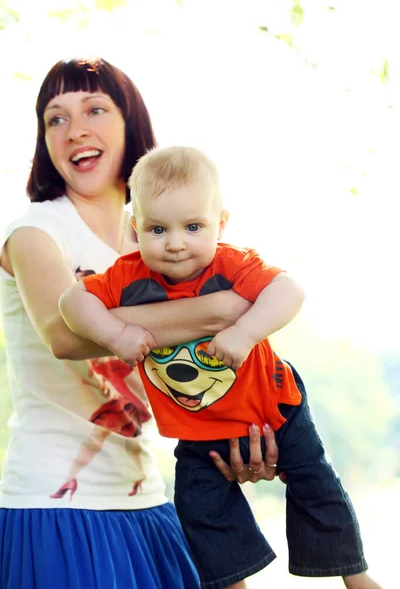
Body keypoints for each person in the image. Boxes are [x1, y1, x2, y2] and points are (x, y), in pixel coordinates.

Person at [0, 58, 280, 589]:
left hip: (150, 496)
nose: (74, 129)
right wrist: (218, 311)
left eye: (95, 110)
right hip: (57, 503)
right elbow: (64, 335)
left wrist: (241, 444)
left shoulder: (161, 242)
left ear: (132, 125)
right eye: (55, 118)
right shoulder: (34, 230)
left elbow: (199, 369)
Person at [60, 146, 383, 589]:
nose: (175, 243)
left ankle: (355, 575)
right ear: (135, 229)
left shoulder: (232, 264)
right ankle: (233, 583)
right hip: (198, 426)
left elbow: (289, 291)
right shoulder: (126, 278)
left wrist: (245, 332)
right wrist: (116, 336)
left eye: (193, 227)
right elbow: (72, 302)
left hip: (273, 406)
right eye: (158, 229)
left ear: (220, 224)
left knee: (314, 482)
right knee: (198, 506)